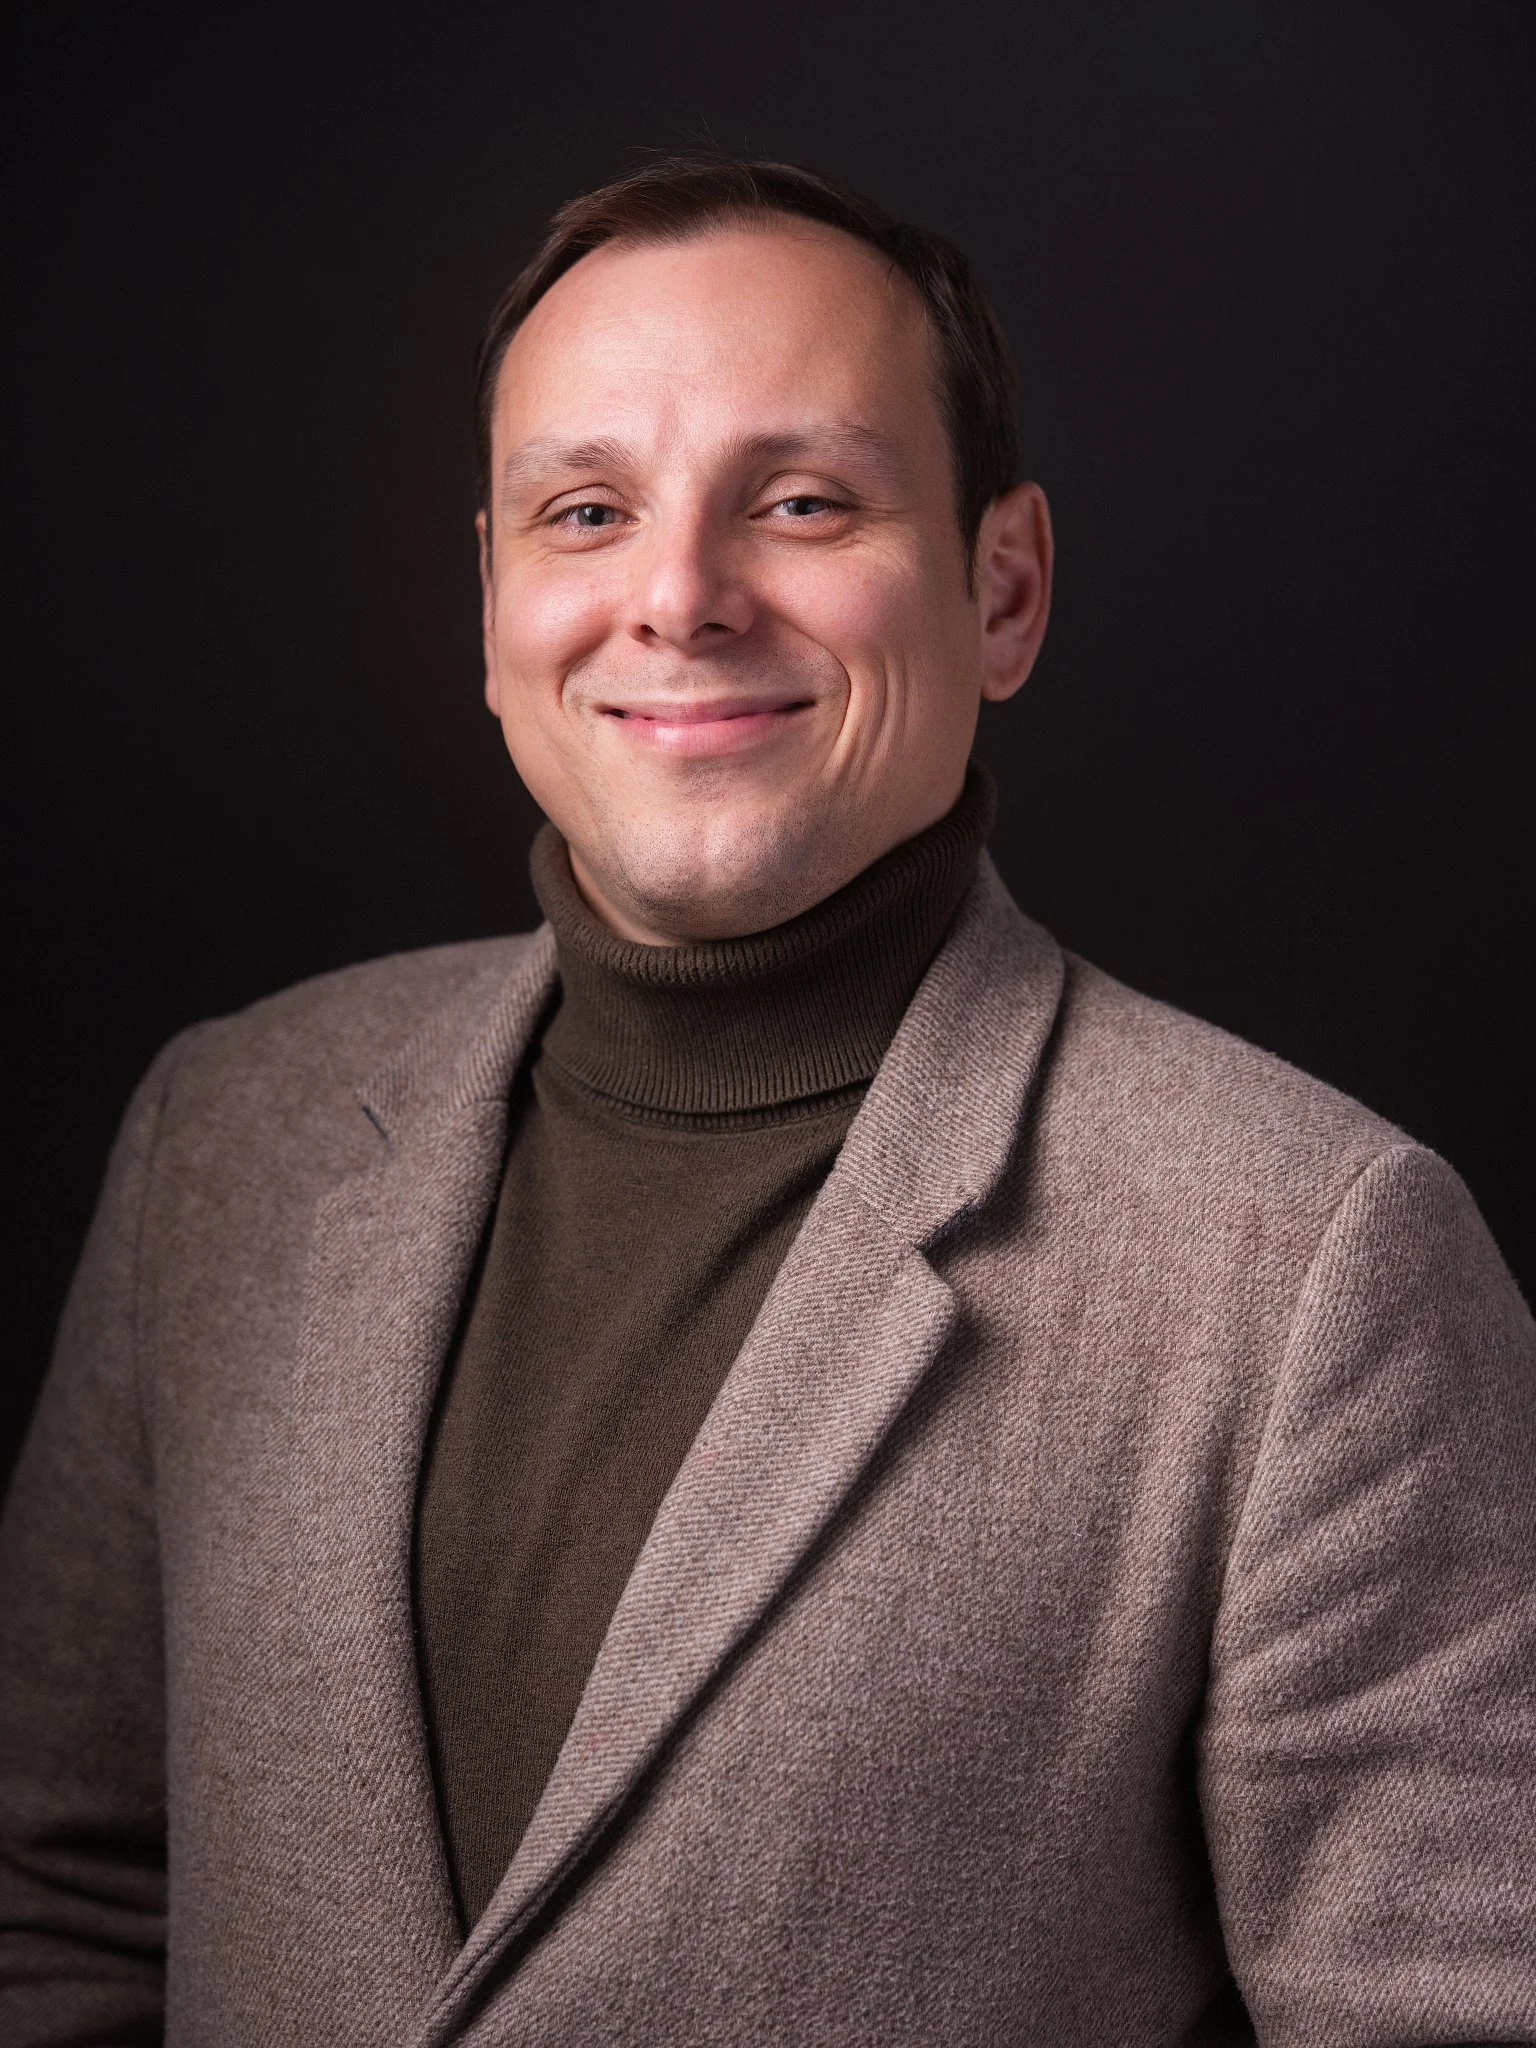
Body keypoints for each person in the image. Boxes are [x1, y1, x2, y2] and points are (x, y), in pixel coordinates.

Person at [1, 155, 1531, 2048]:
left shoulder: (1312, 1262)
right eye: (586, 512)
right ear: (493, 604)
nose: (679, 598)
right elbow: (57, 1909)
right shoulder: (225, 1132)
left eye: (802, 502)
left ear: (1004, 589)